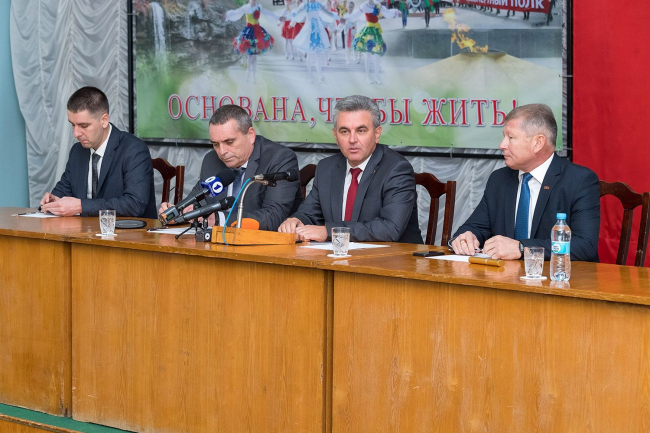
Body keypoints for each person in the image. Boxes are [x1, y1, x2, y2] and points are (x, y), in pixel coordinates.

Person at [450, 104, 600, 262]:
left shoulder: (579, 180)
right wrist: (466, 238)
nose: (502, 145)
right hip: (505, 275)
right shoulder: (499, 179)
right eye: (504, 137)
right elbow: (476, 227)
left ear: (538, 143)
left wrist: (522, 248)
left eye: (511, 138)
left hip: (558, 275)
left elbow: (585, 246)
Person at [278, 95, 422, 243]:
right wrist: (296, 221)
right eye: (344, 131)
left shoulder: (397, 169)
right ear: (335, 135)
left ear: (377, 133)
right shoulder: (326, 168)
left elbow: (389, 229)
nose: (352, 140)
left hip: (395, 256)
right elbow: (309, 213)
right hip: (338, 255)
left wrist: (329, 231)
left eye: (361, 131)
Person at [159, 105, 302, 231]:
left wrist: (218, 219)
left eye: (229, 142)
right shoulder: (211, 160)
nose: (222, 152)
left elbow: (273, 216)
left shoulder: (279, 158)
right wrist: (177, 213)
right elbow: (196, 201)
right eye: (215, 144)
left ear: (250, 135)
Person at [40, 86, 156, 218]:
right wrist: (54, 201)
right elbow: (63, 191)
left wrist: (81, 206)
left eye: (83, 126)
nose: (76, 133)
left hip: (129, 230)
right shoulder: (77, 151)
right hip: (84, 229)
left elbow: (134, 205)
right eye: (72, 124)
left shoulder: (134, 149)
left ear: (104, 120)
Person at [225, 0, 282, 83]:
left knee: (254, 56)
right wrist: (228, 15)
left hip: (258, 32)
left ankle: (253, 76)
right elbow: (237, 13)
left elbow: (268, 13)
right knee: (251, 55)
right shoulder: (246, 7)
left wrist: (278, 18)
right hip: (249, 32)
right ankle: (248, 74)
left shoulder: (258, 7)